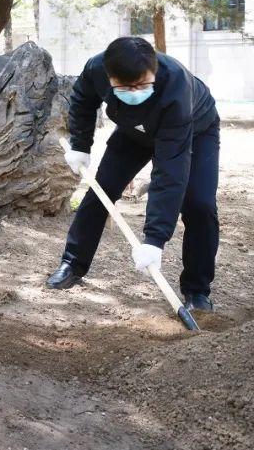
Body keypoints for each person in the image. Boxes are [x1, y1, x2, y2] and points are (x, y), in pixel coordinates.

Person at [46, 36, 220, 313]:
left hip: (194, 130)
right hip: (134, 132)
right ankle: (72, 263)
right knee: (102, 190)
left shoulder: (176, 87)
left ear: (153, 71)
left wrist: (154, 239)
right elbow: (83, 100)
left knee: (200, 205)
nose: (135, 91)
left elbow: (169, 173)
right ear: (109, 77)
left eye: (142, 84)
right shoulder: (96, 69)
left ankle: (197, 291)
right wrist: (80, 146)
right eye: (125, 87)